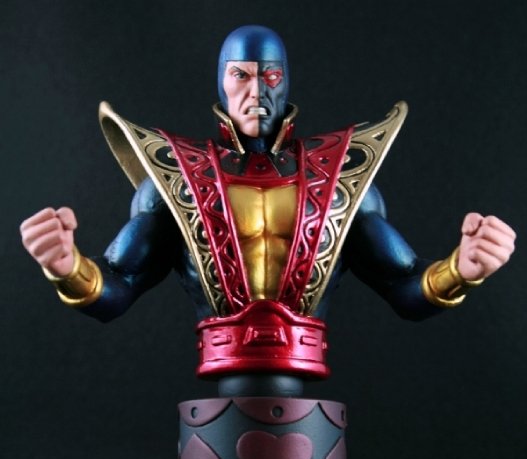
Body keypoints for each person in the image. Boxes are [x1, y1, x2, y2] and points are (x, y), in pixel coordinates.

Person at [20, 25, 516, 395]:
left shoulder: (337, 180)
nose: (256, 93)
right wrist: (68, 268)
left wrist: (460, 269)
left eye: (270, 76)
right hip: (221, 379)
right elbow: (119, 285)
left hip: (305, 381)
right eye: (241, 76)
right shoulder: (177, 182)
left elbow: (403, 285)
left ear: (287, 81)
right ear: (221, 82)